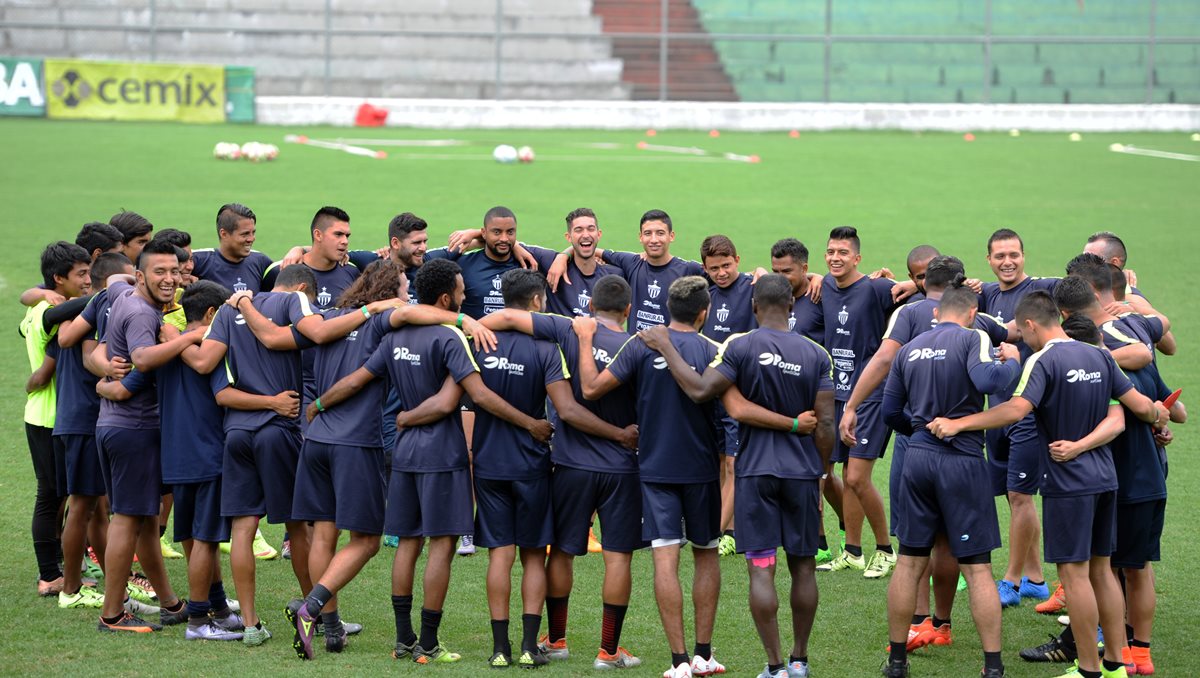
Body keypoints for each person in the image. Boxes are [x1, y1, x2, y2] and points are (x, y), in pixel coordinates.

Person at [311, 258, 552, 664]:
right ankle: (427, 641)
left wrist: (319, 403)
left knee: (407, 543)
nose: (464, 297)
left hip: (404, 453)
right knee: (440, 547)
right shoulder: (449, 337)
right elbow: (453, 401)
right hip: (441, 454)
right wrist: (531, 424)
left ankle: (402, 639)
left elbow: (355, 381)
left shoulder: (394, 338)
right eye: (460, 292)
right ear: (445, 297)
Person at [929, 291, 1166, 678]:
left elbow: (1015, 409)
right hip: (1107, 479)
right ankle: (1114, 665)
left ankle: (1088, 668)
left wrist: (959, 423)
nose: (1026, 341)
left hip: (1069, 484)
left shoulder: (1043, 359)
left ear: (1029, 325)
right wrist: (1161, 416)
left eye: (1025, 335)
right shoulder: (1100, 355)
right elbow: (1138, 406)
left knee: (1075, 576)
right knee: (1103, 571)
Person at [284, 259, 494, 660]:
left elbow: (352, 378)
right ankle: (311, 608)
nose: (407, 296)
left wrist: (318, 406)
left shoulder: (331, 316)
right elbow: (415, 320)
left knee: (325, 534)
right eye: (402, 288)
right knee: (366, 542)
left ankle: (331, 628)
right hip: (357, 443)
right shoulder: (384, 323)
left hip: (317, 438)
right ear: (389, 294)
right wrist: (466, 321)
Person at [641, 273, 836, 678]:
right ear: (793, 307)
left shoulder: (739, 345)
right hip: (802, 474)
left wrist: (664, 346)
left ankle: (775, 665)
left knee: (761, 567)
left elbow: (699, 390)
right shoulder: (817, 354)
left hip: (755, 474)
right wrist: (822, 474)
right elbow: (827, 424)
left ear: (752, 306)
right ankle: (801, 660)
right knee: (802, 567)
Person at [468, 268, 637, 668]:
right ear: (628, 311)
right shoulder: (635, 345)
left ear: (591, 307)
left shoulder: (566, 330)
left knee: (559, 553)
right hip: (619, 468)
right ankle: (608, 651)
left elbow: (508, 317)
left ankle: (556, 640)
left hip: (569, 465)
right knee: (617, 558)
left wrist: (471, 327)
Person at [841, 256, 1013, 646]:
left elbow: (885, 368)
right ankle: (944, 625)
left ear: (924, 287)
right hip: (963, 453)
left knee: (912, 549)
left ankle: (912, 630)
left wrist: (853, 407)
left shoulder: (909, 317)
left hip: (916, 447)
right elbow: (1012, 339)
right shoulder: (980, 326)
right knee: (958, 546)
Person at [572, 276, 725, 678]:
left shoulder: (638, 345)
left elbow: (590, 389)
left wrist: (586, 340)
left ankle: (677, 662)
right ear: (704, 313)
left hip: (655, 470)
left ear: (667, 310)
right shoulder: (714, 350)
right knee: (706, 555)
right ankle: (703, 655)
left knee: (665, 559)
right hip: (703, 472)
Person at [878, 283, 1021, 678]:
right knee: (976, 568)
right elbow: (989, 381)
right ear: (973, 313)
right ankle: (992, 666)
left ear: (936, 314)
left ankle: (896, 661)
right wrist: (1013, 359)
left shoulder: (910, 348)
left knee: (908, 563)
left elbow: (891, 412)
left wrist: (921, 430)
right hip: (961, 460)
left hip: (917, 459)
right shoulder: (973, 337)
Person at [98, 281, 246, 640]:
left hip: (174, 456)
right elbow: (224, 392)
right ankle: (198, 620)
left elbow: (117, 388)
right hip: (208, 453)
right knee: (206, 538)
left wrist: (101, 384)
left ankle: (220, 609)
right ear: (212, 314)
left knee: (193, 537)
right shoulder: (213, 349)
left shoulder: (163, 350)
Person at [94, 238, 198, 632]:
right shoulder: (141, 313)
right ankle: (112, 614)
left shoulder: (122, 293)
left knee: (143, 520)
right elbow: (140, 358)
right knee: (127, 519)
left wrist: (102, 374)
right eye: (160, 272)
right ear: (141, 276)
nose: (170, 279)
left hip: (115, 425)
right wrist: (188, 336)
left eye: (175, 271)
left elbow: (113, 282)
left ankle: (169, 603)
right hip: (134, 428)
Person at [977, 228, 1060, 607]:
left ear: (1024, 256)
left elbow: (1081, 283)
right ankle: (1037, 578)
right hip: (997, 411)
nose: (1007, 262)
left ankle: (1010, 581)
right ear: (989, 260)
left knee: (1020, 495)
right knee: (1015, 500)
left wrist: (1122, 281)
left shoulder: (1041, 290)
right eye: (999, 256)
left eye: (1013, 254)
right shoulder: (989, 293)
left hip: (1027, 413)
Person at [53, 252, 134, 610]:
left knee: (95, 507)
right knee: (83, 505)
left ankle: (116, 587)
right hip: (84, 419)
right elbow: (79, 351)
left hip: (86, 419)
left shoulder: (88, 311)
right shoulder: (98, 307)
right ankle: (71, 589)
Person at [819, 226, 898, 579]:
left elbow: (929, 294)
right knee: (848, 478)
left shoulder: (878, 287)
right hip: (838, 393)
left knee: (857, 477)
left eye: (843, 253)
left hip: (870, 396)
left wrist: (911, 284)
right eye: (831, 251)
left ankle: (885, 549)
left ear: (858, 258)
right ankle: (852, 550)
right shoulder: (823, 286)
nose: (836, 258)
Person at [21, 241, 92, 598]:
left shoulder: (39, 306)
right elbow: (47, 367)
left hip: (47, 415)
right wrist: (112, 291)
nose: (86, 280)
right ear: (58, 278)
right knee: (51, 496)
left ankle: (63, 569)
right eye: (80, 275)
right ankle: (49, 575)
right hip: (48, 417)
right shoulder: (51, 313)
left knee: (62, 496)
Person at [696, 235, 757, 558]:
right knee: (720, 461)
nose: (721, 272)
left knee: (734, 463)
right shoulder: (704, 293)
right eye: (714, 268)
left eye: (726, 265)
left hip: (739, 393)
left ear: (738, 259)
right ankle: (730, 529)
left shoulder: (752, 289)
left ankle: (716, 532)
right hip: (710, 392)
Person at [551, 209, 705, 333]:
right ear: (640, 237)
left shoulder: (688, 269)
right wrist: (563, 256)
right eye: (647, 234)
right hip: (635, 353)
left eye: (660, 233)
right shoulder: (631, 262)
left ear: (671, 236)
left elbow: (717, 274)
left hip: (670, 353)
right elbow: (589, 248)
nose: (653, 240)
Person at [529, 208, 623, 318]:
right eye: (579, 230)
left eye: (591, 229)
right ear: (568, 237)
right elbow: (510, 243)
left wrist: (564, 255)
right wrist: (561, 256)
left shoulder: (614, 276)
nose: (586, 235)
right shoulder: (551, 263)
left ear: (599, 234)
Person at [190, 203, 275, 294]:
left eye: (253, 233)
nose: (251, 239)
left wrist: (293, 251)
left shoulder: (261, 262)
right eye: (245, 234)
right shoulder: (199, 261)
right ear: (224, 234)